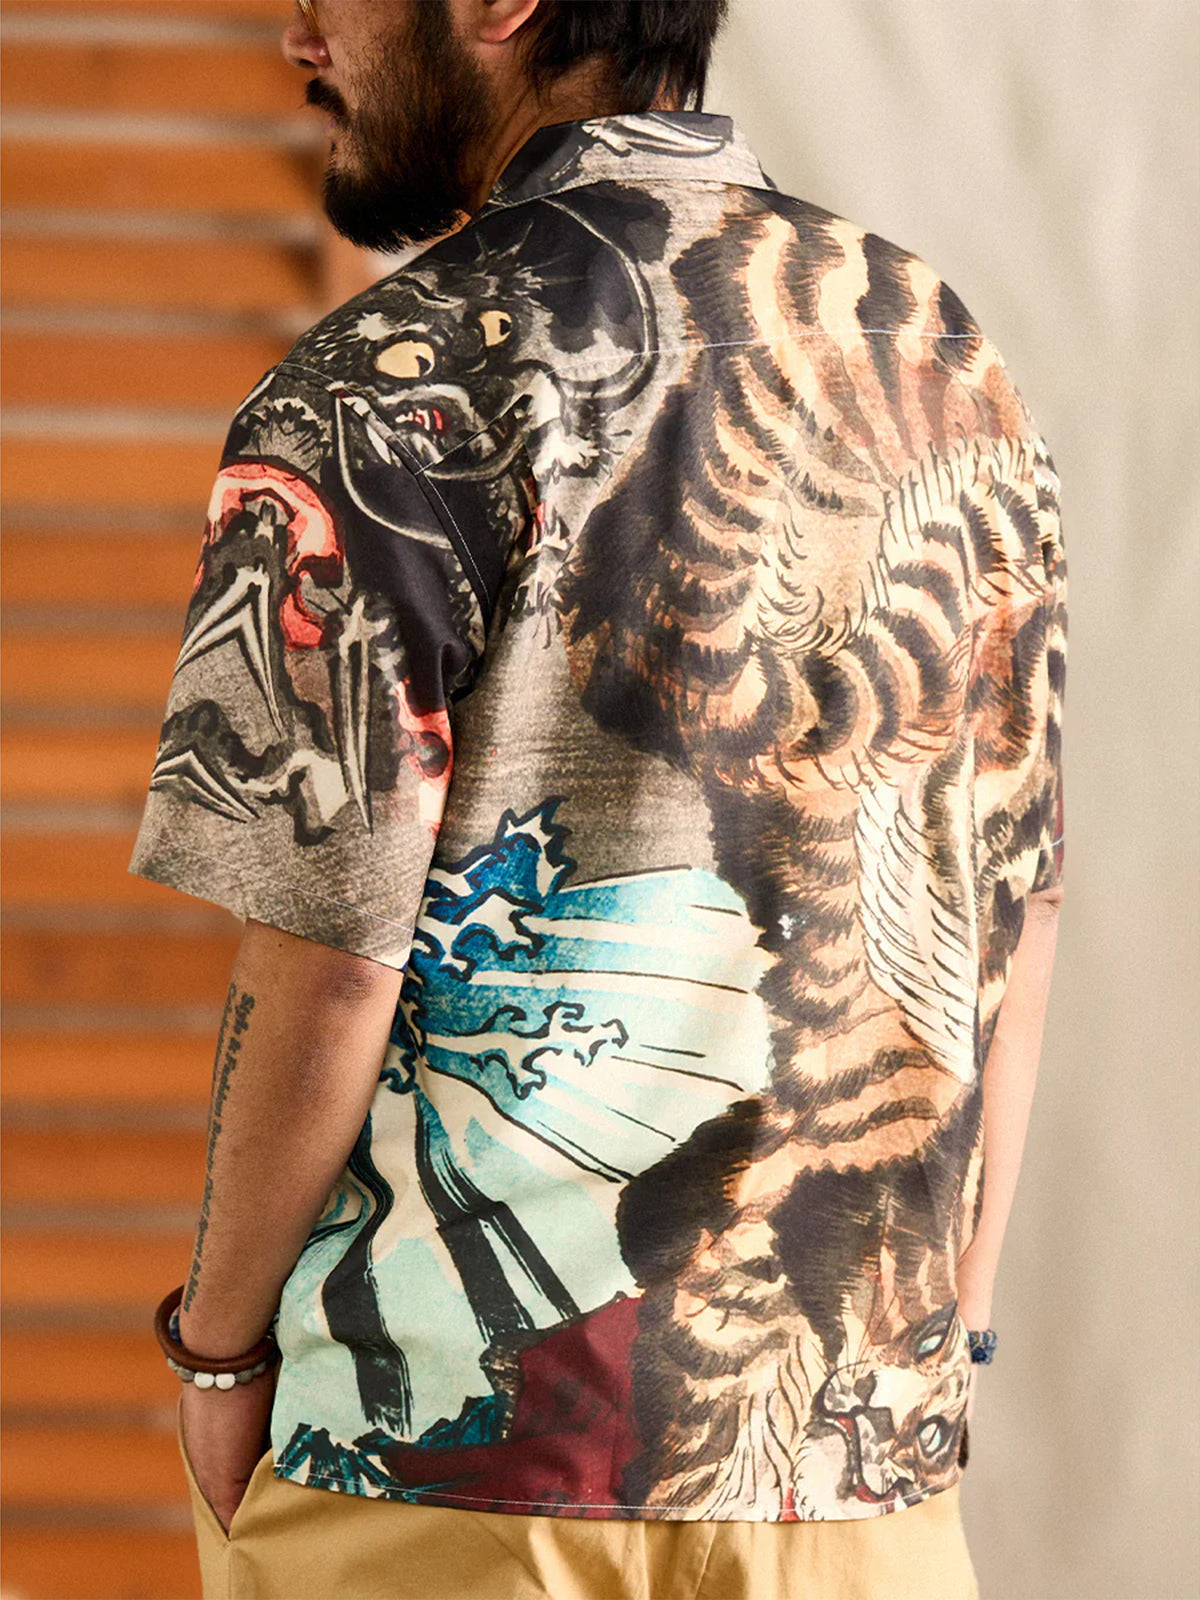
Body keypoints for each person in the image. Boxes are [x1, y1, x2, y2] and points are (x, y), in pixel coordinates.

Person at [130, 1, 1067, 1596]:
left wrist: (218, 1356)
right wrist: (951, 1330)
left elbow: (333, 960)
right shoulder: (942, 358)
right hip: (853, 1483)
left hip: (452, 1478)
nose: (299, 33)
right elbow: (1016, 903)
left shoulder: (383, 386)